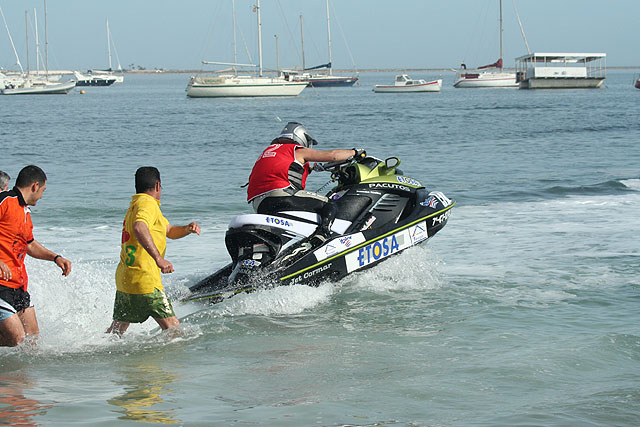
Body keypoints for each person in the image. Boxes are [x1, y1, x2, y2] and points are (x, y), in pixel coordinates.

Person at [107, 167, 200, 336]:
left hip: (126, 278)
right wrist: (159, 259)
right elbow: (139, 227)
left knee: (115, 332)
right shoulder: (148, 204)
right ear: (158, 186)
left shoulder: (136, 205)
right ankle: (176, 363)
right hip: (145, 279)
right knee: (175, 330)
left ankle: (100, 358)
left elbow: (169, 230)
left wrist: (187, 229)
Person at [247, 122, 364, 243]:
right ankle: (322, 234)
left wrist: (318, 168)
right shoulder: (295, 150)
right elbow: (333, 156)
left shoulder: (268, 152)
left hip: (260, 204)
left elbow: (292, 168)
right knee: (330, 203)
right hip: (281, 196)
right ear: (301, 137)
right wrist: (355, 152)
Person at [0, 165, 72, 347]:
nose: (41, 196)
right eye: (43, 191)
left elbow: (30, 245)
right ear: (35, 186)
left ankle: (23, 377)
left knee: (32, 341)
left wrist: (56, 258)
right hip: (1, 284)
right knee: (17, 338)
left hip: (18, 284)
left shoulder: (24, 211)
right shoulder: (4, 201)